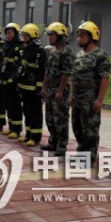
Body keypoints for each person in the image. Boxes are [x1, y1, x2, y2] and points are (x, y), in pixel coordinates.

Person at [70, 21, 110, 165]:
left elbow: (105, 78)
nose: (79, 38)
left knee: (90, 130)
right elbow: (74, 77)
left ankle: (89, 157)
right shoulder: (79, 55)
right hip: (77, 99)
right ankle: (81, 153)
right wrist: (71, 96)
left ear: (92, 37)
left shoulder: (100, 56)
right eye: (78, 35)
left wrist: (99, 100)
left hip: (90, 99)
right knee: (77, 128)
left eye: (82, 36)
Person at [40, 22, 75, 156]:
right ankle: (52, 141)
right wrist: (44, 87)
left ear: (60, 36)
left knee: (60, 118)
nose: (50, 38)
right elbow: (46, 70)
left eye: (52, 35)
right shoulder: (52, 51)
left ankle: (61, 145)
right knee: (50, 118)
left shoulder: (67, 52)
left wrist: (60, 91)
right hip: (50, 88)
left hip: (60, 89)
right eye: (49, 35)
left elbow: (67, 73)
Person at [16, 23, 46, 146]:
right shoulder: (24, 49)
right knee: (27, 111)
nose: (23, 38)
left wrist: (40, 87)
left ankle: (36, 137)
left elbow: (41, 70)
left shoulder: (40, 51)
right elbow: (21, 67)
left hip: (34, 88)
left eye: (25, 36)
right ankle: (28, 134)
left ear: (32, 36)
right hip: (24, 86)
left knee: (35, 113)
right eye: (22, 35)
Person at [0, 23, 23, 139]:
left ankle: (16, 129)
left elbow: (19, 66)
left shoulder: (19, 47)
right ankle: (10, 127)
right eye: (6, 33)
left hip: (13, 82)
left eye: (10, 33)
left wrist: (12, 79)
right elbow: (2, 62)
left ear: (16, 34)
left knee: (15, 106)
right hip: (4, 80)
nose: (7, 36)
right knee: (7, 105)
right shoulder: (5, 46)